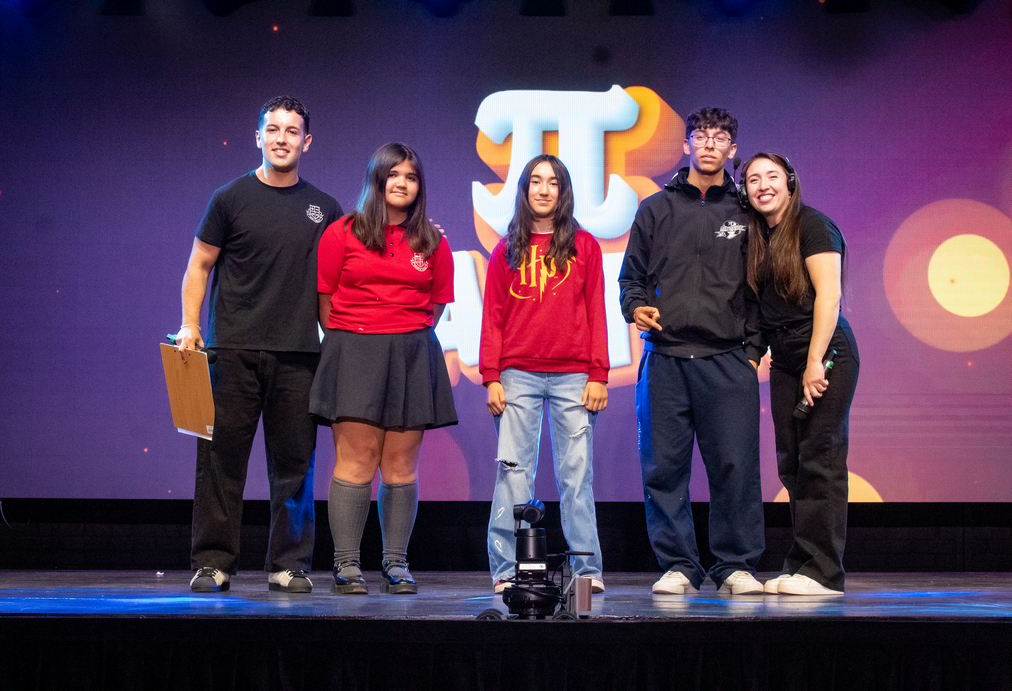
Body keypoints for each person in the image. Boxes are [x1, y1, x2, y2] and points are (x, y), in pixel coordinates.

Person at [176, 96, 343, 594]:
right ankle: (213, 562)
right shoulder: (229, 198)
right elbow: (199, 266)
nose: (281, 139)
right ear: (258, 137)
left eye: (292, 131)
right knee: (220, 460)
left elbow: (335, 283)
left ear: (306, 142)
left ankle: (288, 564)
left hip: (299, 355)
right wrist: (189, 325)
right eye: (273, 129)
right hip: (232, 350)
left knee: (295, 464)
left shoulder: (325, 208)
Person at [619, 107, 767, 595]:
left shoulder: (746, 213)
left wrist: (752, 351)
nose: (709, 144)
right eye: (700, 136)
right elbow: (630, 279)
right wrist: (635, 307)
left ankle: (735, 565)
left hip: (728, 360)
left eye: (719, 137)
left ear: (732, 150)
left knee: (735, 469)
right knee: (663, 469)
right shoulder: (655, 209)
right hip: (665, 359)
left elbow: (763, 288)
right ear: (686, 145)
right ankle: (679, 565)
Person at [310, 142, 456, 595]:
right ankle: (347, 566)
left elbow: (436, 305)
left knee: (400, 466)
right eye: (393, 174)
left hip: (412, 353)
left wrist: (401, 333)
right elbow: (325, 299)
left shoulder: (433, 240)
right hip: (354, 350)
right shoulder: (341, 232)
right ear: (377, 179)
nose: (402, 183)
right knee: (356, 462)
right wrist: (359, 336)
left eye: (411, 177)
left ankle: (396, 564)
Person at [480, 154, 610, 595]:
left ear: (563, 191)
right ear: (524, 189)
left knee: (576, 476)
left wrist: (598, 373)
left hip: (575, 376)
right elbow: (492, 318)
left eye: (553, 182)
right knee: (513, 475)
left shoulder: (584, 246)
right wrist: (491, 376)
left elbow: (596, 311)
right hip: (517, 374)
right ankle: (508, 569)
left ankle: (586, 571)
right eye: (535, 181)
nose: (543, 189)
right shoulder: (506, 248)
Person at [741, 153, 859, 596]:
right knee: (791, 463)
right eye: (753, 179)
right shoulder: (760, 237)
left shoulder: (813, 225)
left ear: (790, 182)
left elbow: (829, 296)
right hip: (785, 357)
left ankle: (824, 573)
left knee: (819, 460)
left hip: (825, 353)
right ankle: (802, 565)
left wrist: (814, 361)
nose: (763, 185)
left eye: (772, 176)